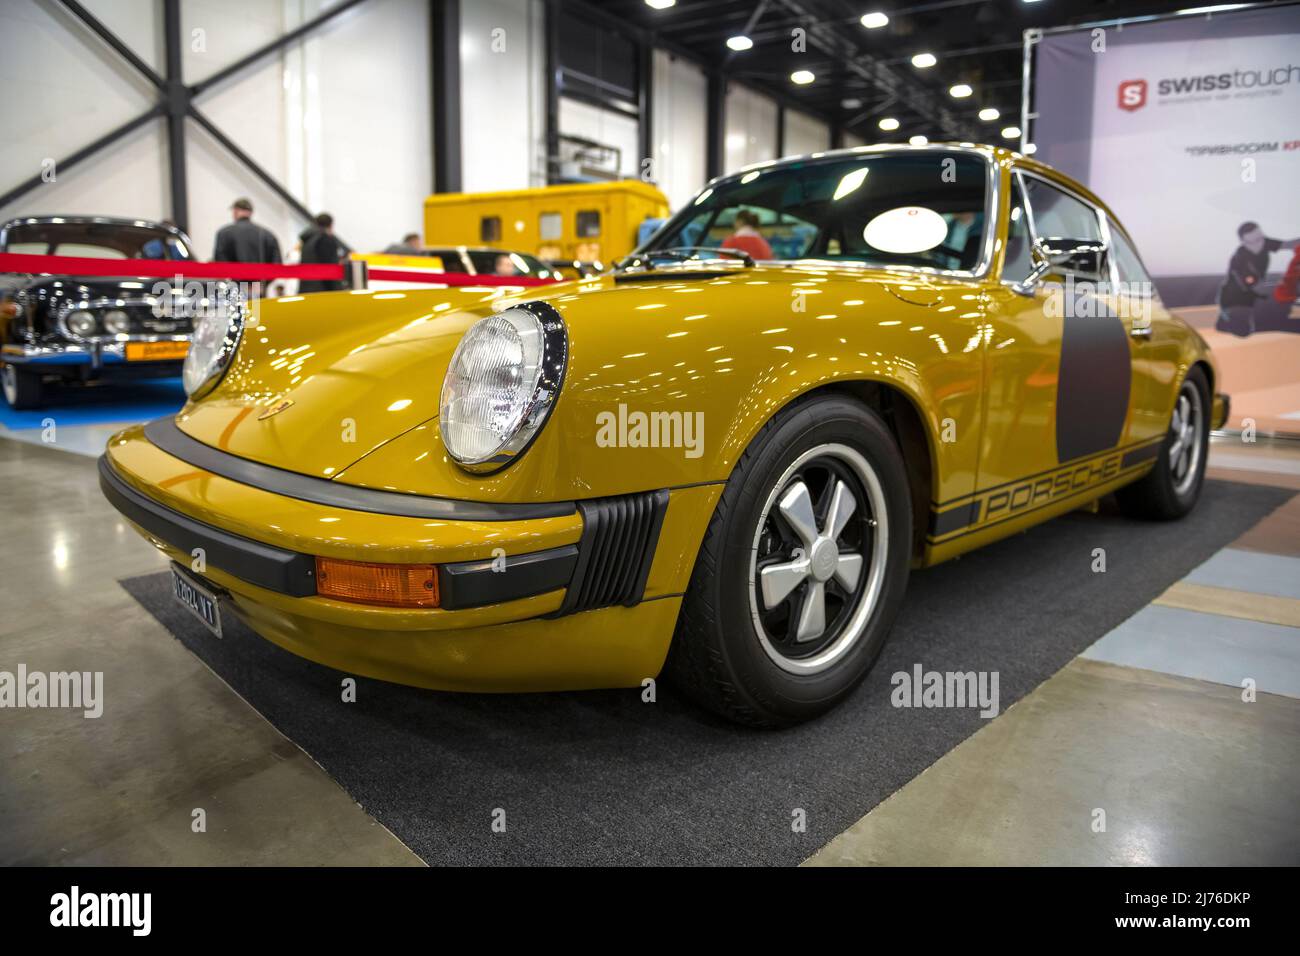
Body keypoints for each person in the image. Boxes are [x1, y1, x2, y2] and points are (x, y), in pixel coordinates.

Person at [1216, 221, 1300, 336]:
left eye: (1261, 238)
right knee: (1244, 329)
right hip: (1236, 300)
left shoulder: (1262, 242)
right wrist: (1282, 282)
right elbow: (1255, 286)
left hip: (1255, 293)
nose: (1260, 244)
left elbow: (1288, 244)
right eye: (1254, 241)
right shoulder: (1240, 260)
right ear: (1244, 242)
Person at [212, 198, 281, 264]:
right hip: (261, 275)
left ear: (235, 211)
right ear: (250, 212)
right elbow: (276, 264)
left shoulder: (224, 233)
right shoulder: (267, 235)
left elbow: (220, 262)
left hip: (234, 275)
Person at [297, 213, 349, 294]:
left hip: (307, 288)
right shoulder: (325, 239)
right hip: (321, 290)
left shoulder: (308, 240)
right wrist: (338, 290)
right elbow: (329, 267)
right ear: (331, 225)